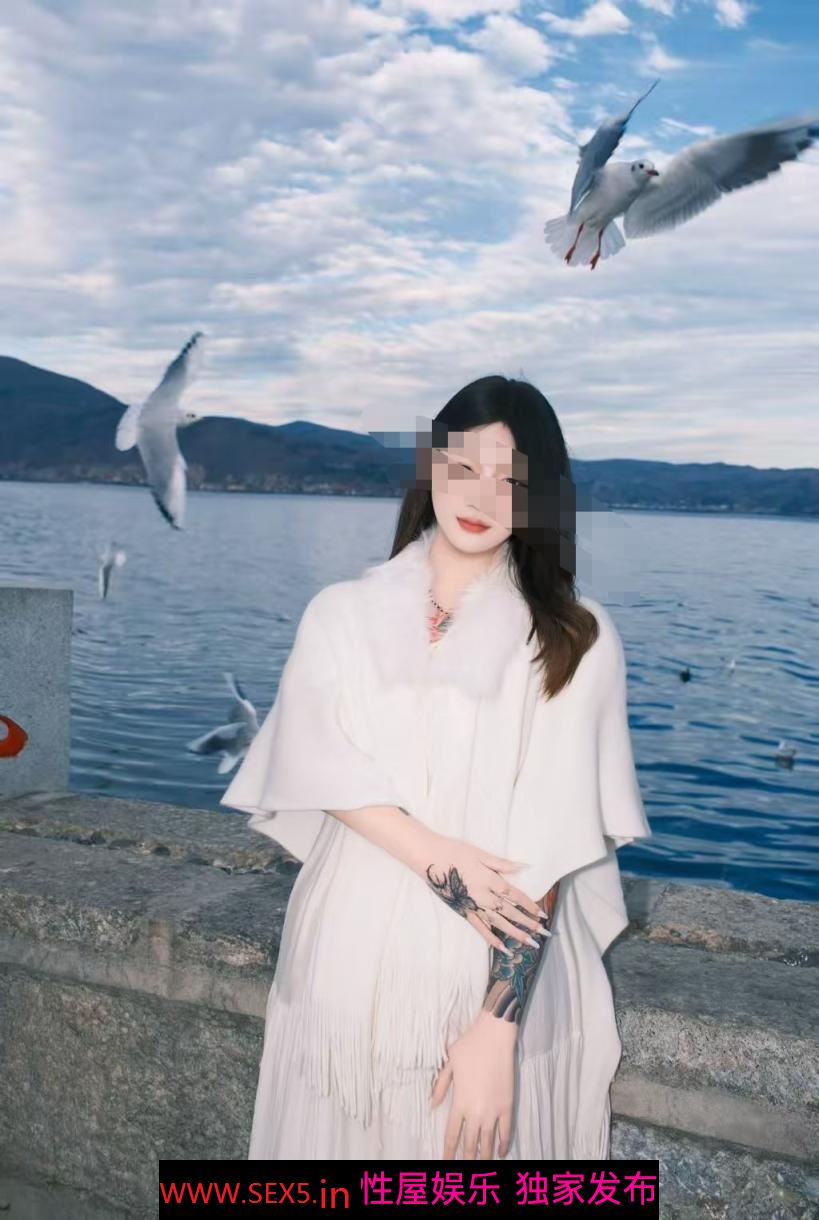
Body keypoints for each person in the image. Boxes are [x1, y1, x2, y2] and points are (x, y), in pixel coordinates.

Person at [220, 374, 652, 1160]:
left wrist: (496, 1027)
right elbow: (310, 759)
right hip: (339, 949)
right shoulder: (341, 612)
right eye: (462, 467)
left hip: (484, 966)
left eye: (509, 480)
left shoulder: (573, 637)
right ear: (430, 466)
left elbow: (553, 836)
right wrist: (434, 855)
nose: (479, 496)